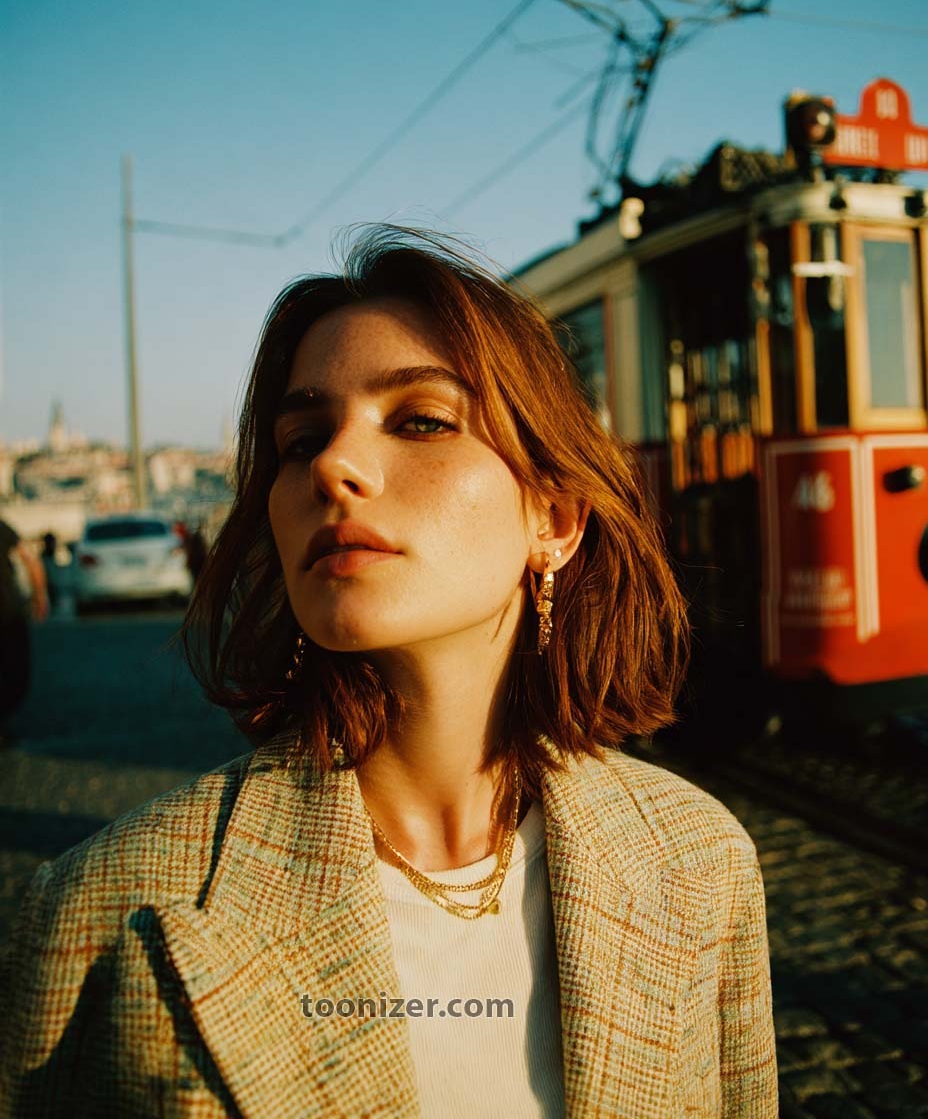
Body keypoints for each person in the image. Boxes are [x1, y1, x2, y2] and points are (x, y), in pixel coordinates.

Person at [0, 227, 776, 1117]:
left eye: (420, 421)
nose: (332, 464)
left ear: (553, 519)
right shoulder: (107, 912)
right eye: (301, 439)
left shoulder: (700, 862)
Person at [0, 518, 48, 746]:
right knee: (16, 673)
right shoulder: (2, 528)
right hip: (7, 614)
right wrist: (39, 595)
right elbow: (30, 558)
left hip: (7, 612)